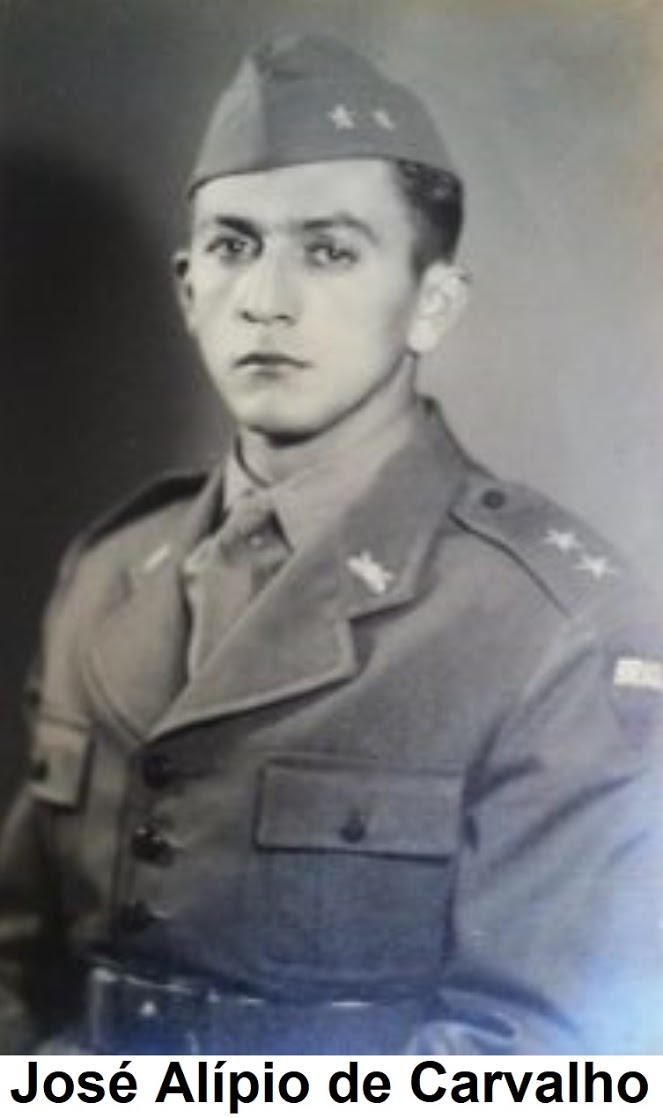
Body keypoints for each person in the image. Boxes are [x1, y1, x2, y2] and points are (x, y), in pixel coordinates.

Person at [0, 33, 662, 1057]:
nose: (266, 299)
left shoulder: (553, 622)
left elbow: (547, 1059)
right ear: (188, 289)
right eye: (233, 246)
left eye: (330, 250)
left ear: (431, 303)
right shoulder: (107, 574)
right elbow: (18, 963)